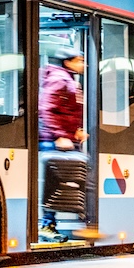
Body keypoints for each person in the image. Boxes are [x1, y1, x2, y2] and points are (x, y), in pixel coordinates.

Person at [38, 46, 88, 242]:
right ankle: (47, 226)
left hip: (63, 139)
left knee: (69, 179)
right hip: (52, 142)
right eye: (79, 60)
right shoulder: (59, 80)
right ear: (68, 62)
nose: (83, 64)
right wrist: (60, 135)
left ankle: (59, 224)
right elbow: (46, 109)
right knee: (55, 183)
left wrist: (74, 132)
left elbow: (64, 111)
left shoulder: (68, 80)